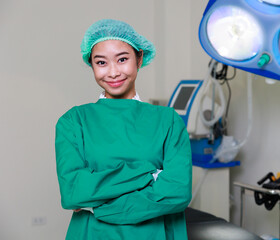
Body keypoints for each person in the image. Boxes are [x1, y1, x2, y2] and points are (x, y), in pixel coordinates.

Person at [55, 19, 192, 240]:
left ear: (139, 59)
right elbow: (73, 192)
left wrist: (98, 206)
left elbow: (177, 192)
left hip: (155, 233)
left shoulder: (168, 120)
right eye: (101, 63)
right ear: (91, 65)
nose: (113, 72)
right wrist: (150, 174)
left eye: (122, 59)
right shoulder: (73, 121)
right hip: (93, 234)